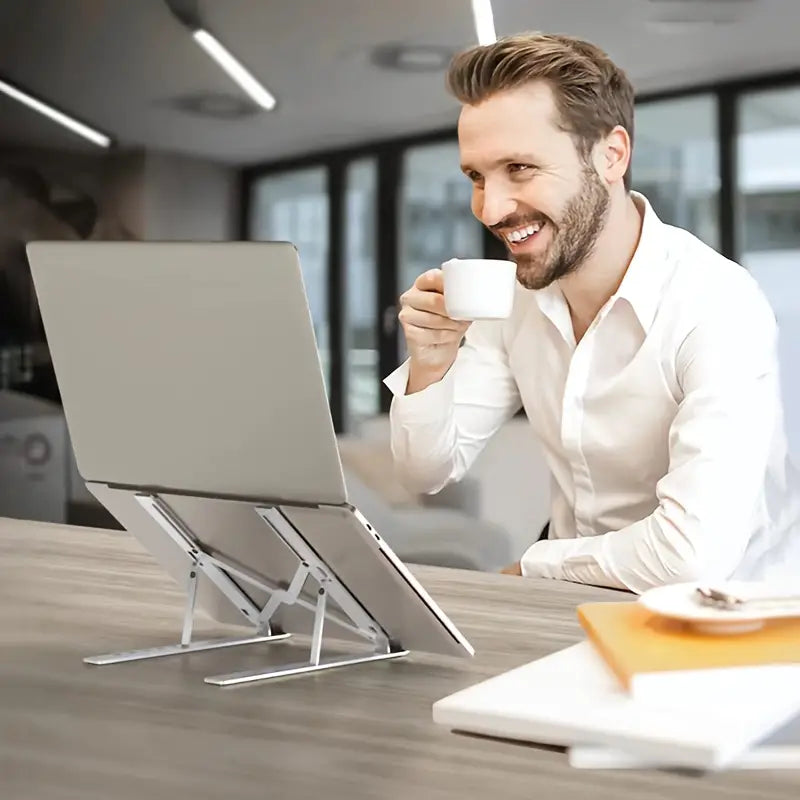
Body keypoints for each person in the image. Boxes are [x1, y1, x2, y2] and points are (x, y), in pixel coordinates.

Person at [383, 32, 800, 593]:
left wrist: (537, 562)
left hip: (724, 617)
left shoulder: (717, 304)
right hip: (578, 607)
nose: (491, 208)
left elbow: (690, 555)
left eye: (520, 168)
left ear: (612, 155)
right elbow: (426, 471)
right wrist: (430, 366)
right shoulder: (517, 300)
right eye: (476, 177)